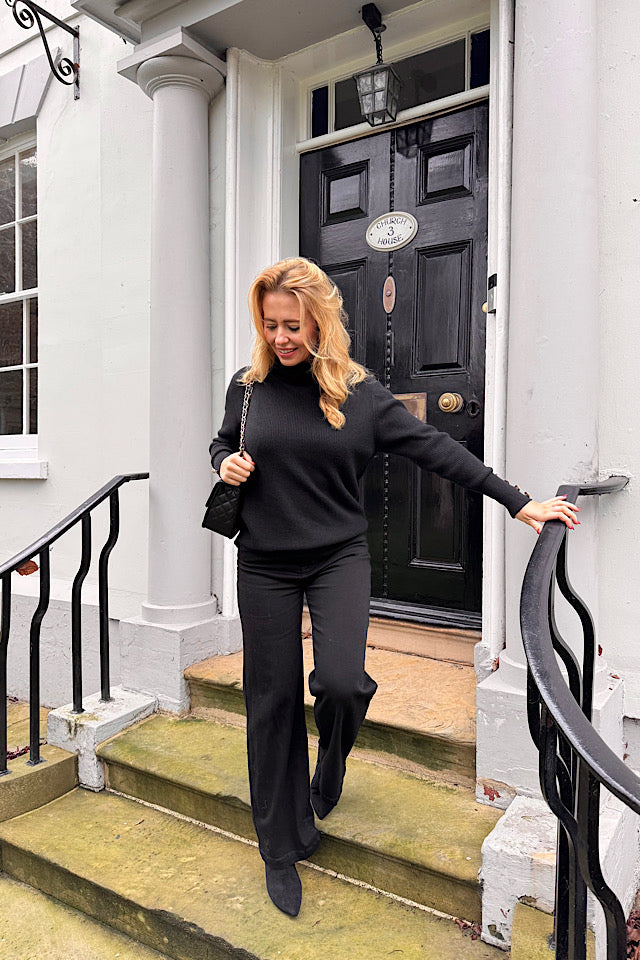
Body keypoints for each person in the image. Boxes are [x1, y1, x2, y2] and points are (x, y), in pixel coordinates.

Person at [209, 257, 579, 918]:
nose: (281, 338)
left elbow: (440, 450)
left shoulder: (362, 396)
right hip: (263, 561)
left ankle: (332, 761)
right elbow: (219, 443)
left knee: (342, 683)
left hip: (336, 557)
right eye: (269, 325)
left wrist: (518, 502)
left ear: (320, 321)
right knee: (271, 700)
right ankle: (281, 844)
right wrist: (225, 464)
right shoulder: (248, 386)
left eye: (293, 325)